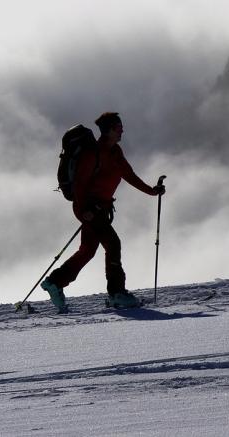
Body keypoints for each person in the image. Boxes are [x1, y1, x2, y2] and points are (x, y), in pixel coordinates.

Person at [41, 112, 164, 311]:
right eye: (118, 127)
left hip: (100, 208)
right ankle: (117, 293)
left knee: (87, 251)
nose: (122, 130)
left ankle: (55, 282)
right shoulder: (94, 153)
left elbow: (129, 175)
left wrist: (152, 191)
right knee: (113, 244)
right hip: (89, 208)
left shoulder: (115, 152)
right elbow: (80, 184)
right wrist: (84, 210)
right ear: (108, 131)